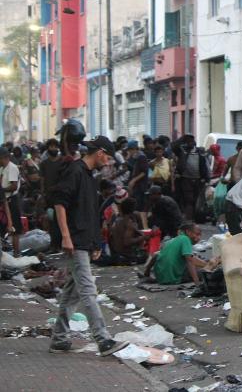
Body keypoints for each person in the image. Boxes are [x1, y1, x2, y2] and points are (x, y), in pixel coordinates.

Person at [48, 135, 128, 356]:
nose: (109, 162)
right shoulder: (74, 171)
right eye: (109, 157)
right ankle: (103, 340)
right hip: (74, 241)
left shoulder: (89, 177)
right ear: (100, 152)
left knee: (72, 293)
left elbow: (90, 214)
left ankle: (59, 338)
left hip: (83, 241)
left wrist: (96, 242)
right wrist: (66, 236)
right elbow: (59, 203)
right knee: (88, 291)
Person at [142, 222, 207, 285]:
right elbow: (189, 261)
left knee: (199, 262)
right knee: (206, 272)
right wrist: (197, 282)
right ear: (188, 232)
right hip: (173, 278)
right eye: (197, 234)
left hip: (160, 278)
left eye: (200, 235)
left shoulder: (171, 241)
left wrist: (146, 272)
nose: (199, 238)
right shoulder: (185, 239)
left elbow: (155, 255)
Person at [172, 134, 208, 221]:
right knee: (189, 200)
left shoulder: (199, 153)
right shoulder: (182, 152)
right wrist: (182, 138)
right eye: (188, 142)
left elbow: (204, 167)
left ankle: (193, 218)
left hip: (198, 180)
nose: (189, 143)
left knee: (195, 200)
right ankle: (189, 219)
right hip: (185, 179)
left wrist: (205, 178)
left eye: (191, 141)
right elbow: (173, 146)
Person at [108, 197, 147, 265]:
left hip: (116, 255)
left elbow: (111, 238)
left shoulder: (117, 221)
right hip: (126, 257)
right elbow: (127, 242)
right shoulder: (129, 223)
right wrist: (143, 237)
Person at [0, 147, 22, 256]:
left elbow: (13, 186)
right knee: (5, 228)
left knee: (15, 229)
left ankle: (16, 252)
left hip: (12, 200)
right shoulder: (2, 168)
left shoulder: (12, 168)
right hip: (4, 200)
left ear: (5, 158)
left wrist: (2, 190)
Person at [126, 140, 149, 227]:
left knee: (139, 207)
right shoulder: (136, 158)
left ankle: (142, 225)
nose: (129, 152)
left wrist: (133, 180)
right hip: (137, 187)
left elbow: (143, 172)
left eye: (130, 150)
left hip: (141, 187)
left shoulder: (141, 157)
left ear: (134, 149)